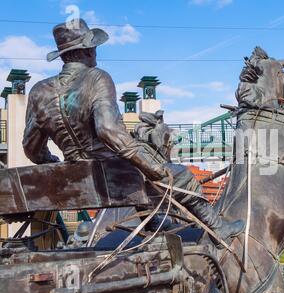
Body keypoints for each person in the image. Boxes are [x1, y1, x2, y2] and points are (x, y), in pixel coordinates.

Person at [23, 19, 244, 247]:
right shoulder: (96, 77)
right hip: (110, 174)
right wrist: (149, 165)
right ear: (88, 51)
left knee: (136, 167)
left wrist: (54, 164)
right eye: (94, 47)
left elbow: (31, 148)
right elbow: (108, 130)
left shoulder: (39, 91)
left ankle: (152, 222)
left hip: (77, 176)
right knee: (181, 175)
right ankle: (218, 229)